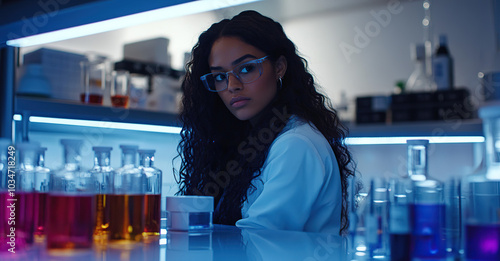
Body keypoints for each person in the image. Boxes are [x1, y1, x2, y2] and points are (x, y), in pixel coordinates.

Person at [175, 10, 355, 235]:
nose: (232, 85)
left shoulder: (295, 144)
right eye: (220, 76)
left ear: (279, 67)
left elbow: (257, 240)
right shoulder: (255, 141)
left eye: (247, 68)